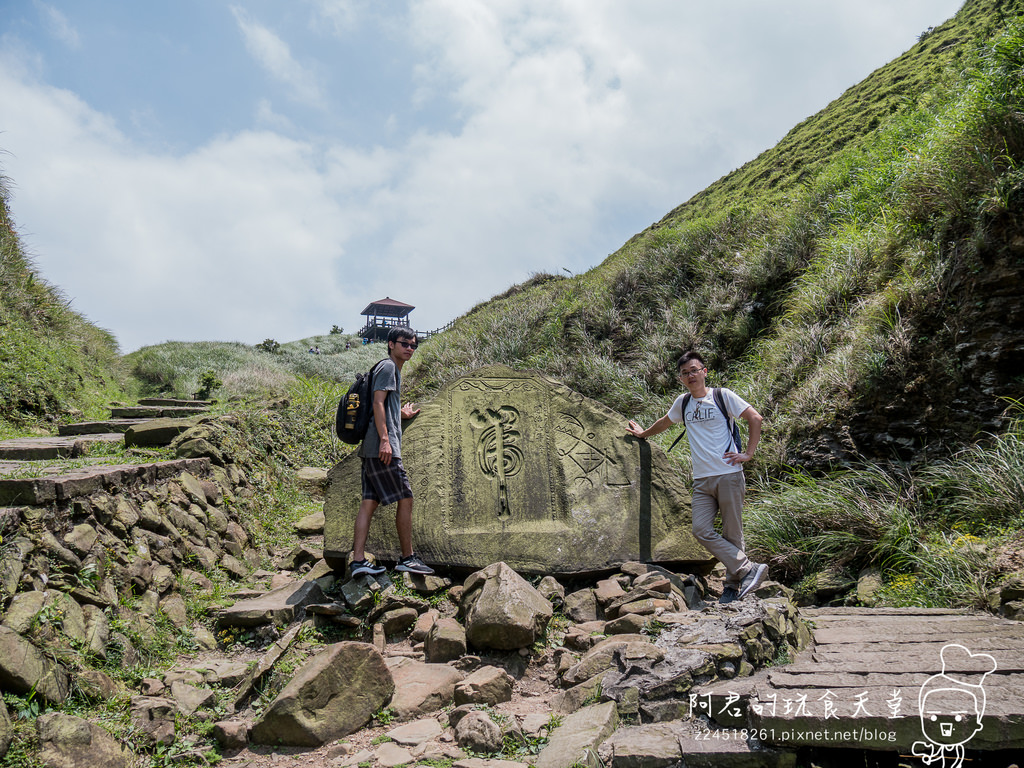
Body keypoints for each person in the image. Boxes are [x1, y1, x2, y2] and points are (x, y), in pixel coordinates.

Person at [626, 351, 766, 604]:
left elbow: (755, 418)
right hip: (702, 480)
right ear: (680, 378)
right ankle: (747, 568)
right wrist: (643, 434)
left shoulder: (722, 396)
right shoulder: (683, 403)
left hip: (728, 475)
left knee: (733, 533)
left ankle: (734, 587)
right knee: (701, 530)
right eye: (684, 373)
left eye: (694, 370)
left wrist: (748, 454)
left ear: (704, 371)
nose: (690, 375)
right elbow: (665, 422)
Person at [349, 326, 435, 577]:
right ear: (391, 344)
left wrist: (401, 413)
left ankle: (357, 562)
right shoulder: (388, 367)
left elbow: (384, 405)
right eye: (404, 343)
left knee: (369, 503)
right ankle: (407, 558)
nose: (409, 348)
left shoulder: (389, 369)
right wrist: (386, 441)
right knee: (405, 497)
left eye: (413, 345)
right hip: (382, 449)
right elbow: (377, 402)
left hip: (371, 449)